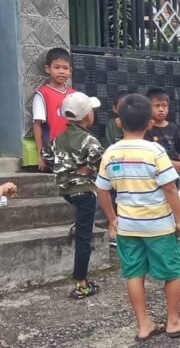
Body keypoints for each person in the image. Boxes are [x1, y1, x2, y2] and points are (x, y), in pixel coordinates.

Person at [96, 94, 180, 341]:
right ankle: (173, 321)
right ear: (149, 123)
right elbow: (170, 188)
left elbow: (102, 189)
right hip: (159, 226)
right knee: (172, 272)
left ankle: (143, 325)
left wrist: (112, 219)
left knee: (133, 273)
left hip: (128, 227)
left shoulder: (110, 152)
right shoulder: (155, 151)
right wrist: (179, 221)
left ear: (119, 122)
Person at [41, 92, 103, 299]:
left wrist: (65, 171)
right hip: (84, 192)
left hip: (66, 191)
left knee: (82, 219)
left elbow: (47, 156)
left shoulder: (58, 138)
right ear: (87, 116)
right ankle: (81, 283)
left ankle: (78, 225)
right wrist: (85, 169)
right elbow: (102, 162)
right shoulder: (89, 141)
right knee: (84, 238)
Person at [33, 48, 76, 171]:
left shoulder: (74, 94)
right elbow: (37, 125)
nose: (61, 72)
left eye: (65, 68)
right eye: (57, 67)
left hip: (74, 149)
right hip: (53, 151)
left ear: (70, 71)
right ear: (48, 69)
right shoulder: (42, 94)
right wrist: (40, 154)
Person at [144, 88, 180, 175]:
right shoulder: (146, 129)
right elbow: (148, 156)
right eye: (157, 106)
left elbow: (178, 151)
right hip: (156, 171)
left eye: (164, 106)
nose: (161, 109)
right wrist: (172, 164)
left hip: (174, 172)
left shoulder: (173, 127)